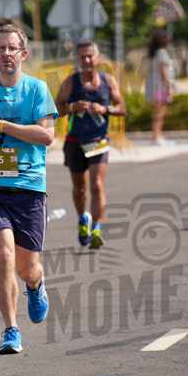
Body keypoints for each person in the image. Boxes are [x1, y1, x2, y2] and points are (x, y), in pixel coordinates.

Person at [0, 24, 57, 355]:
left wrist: (1, 125)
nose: (6, 53)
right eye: (0, 47)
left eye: (12, 47)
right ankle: (10, 330)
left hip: (29, 186)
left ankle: (35, 285)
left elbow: (47, 136)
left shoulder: (37, 89)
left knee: (26, 267)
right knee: (3, 255)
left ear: (23, 54)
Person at [55, 39, 125, 249]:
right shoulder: (70, 82)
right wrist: (72, 107)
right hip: (75, 142)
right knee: (80, 188)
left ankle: (97, 228)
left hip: (98, 140)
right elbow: (57, 108)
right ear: (77, 59)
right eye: (82, 56)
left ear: (97, 57)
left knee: (97, 185)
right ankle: (82, 219)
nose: (86, 60)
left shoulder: (108, 81)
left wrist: (106, 109)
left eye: (90, 55)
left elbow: (121, 107)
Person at [145, 28, 176, 145]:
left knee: (157, 111)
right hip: (161, 85)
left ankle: (157, 136)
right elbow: (162, 71)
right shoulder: (162, 52)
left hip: (154, 84)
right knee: (160, 111)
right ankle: (157, 137)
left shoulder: (153, 53)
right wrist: (168, 86)